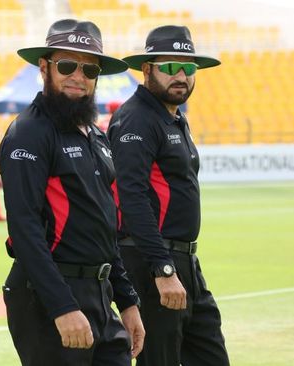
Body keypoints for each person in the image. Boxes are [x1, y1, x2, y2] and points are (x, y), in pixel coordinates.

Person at [0, 19, 144, 366]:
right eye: (67, 65)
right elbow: (24, 229)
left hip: (99, 292)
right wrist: (62, 307)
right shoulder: (28, 134)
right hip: (47, 297)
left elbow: (107, 227)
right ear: (44, 67)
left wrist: (127, 300)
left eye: (89, 70)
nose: (78, 76)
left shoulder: (94, 134)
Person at [107, 25, 230, 366]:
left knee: (210, 354)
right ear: (147, 69)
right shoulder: (136, 119)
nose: (181, 75)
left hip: (185, 261)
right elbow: (131, 199)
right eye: (170, 67)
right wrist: (162, 269)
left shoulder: (173, 118)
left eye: (188, 68)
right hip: (152, 262)